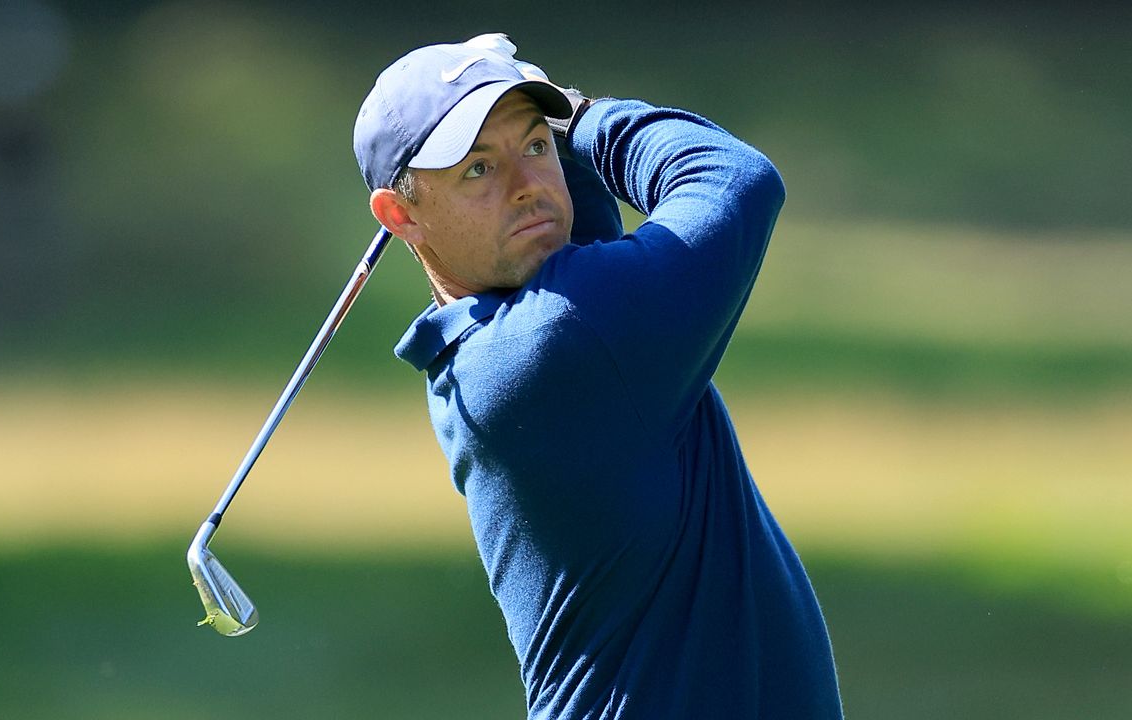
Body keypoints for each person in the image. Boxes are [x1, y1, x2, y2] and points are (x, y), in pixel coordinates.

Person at [353, 34, 844, 719]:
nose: (527, 187)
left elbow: (578, 239)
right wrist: (579, 118)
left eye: (533, 147)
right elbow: (733, 178)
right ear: (400, 214)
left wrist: (538, 121)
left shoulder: (496, 338)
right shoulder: (561, 343)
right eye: (477, 170)